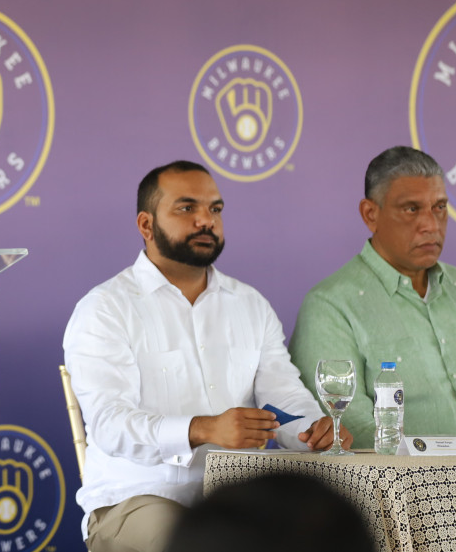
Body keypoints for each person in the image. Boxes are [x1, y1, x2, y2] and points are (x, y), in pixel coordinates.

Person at [62, 160, 346, 552]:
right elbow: (111, 425)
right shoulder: (105, 308)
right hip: (136, 499)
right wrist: (202, 429)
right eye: (187, 208)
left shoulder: (250, 304)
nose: (205, 220)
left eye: (215, 209)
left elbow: (282, 399)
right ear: (146, 225)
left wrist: (313, 429)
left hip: (236, 500)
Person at [290, 146, 456, 448]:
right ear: (370, 214)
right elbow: (347, 429)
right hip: (404, 478)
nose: (431, 225)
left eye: (439, 207)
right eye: (411, 209)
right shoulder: (330, 306)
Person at [162, 473, 374, 552]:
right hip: (160, 490)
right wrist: (195, 429)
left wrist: (310, 426)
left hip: (250, 486)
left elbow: (288, 399)